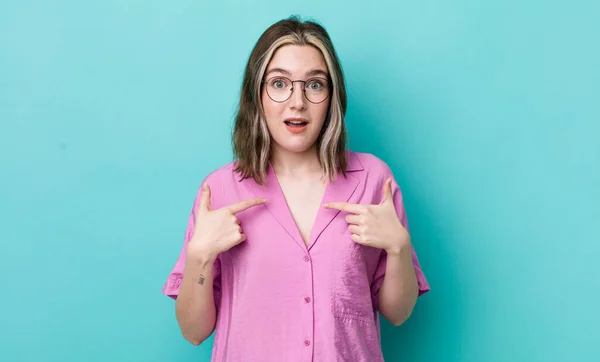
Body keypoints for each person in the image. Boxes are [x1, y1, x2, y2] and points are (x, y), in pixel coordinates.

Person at [162, 15, 430, 362]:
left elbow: (398, 313)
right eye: (279, 83)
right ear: (256, 95)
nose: (297, 101)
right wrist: (199, 257)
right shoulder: (220, 191)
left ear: (332, 96)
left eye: (314, 84)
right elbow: (194, 332)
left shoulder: (374, 179)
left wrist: (398, 247)